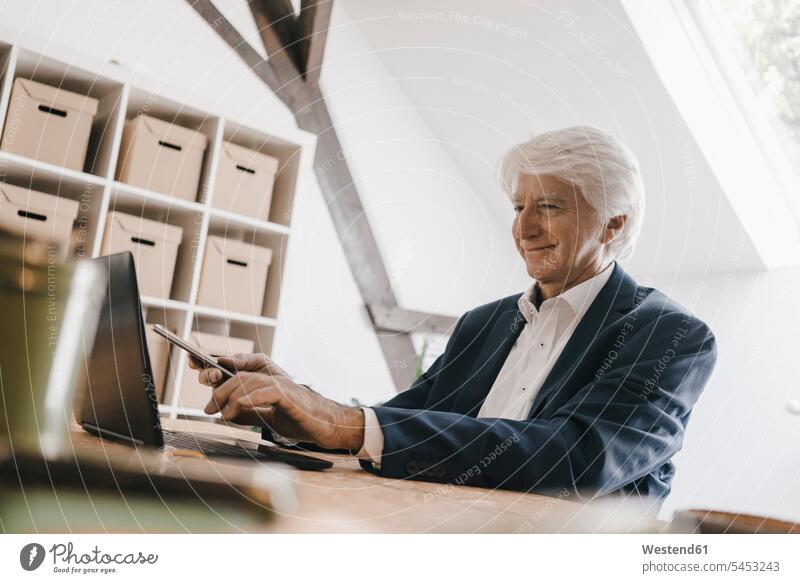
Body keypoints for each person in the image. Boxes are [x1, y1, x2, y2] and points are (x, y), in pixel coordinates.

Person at [190, 126, 716, 509]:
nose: (525, 228)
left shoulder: (669, 335)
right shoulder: (483, 324)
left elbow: (578, 460)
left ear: (612, 225)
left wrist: (343, 422)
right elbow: (399, 421)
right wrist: (297, 412)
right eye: (517, 207)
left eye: (550, 207)